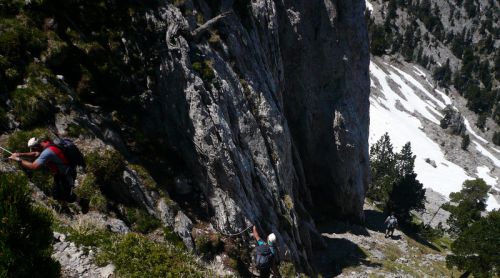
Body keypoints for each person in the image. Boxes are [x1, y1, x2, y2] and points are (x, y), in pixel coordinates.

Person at [9, 137, 88, 214]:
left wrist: (18, 160)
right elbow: (36, 154)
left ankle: (82, 201)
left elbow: (34, 166)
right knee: (56, 194)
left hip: (67, 174)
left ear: (37, 147)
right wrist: (20, 154)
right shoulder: (46, 144)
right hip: (60, 174)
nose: (32, 151)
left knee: (67, 196)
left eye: (32, 149)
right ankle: (65, 209)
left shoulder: (47, 152)